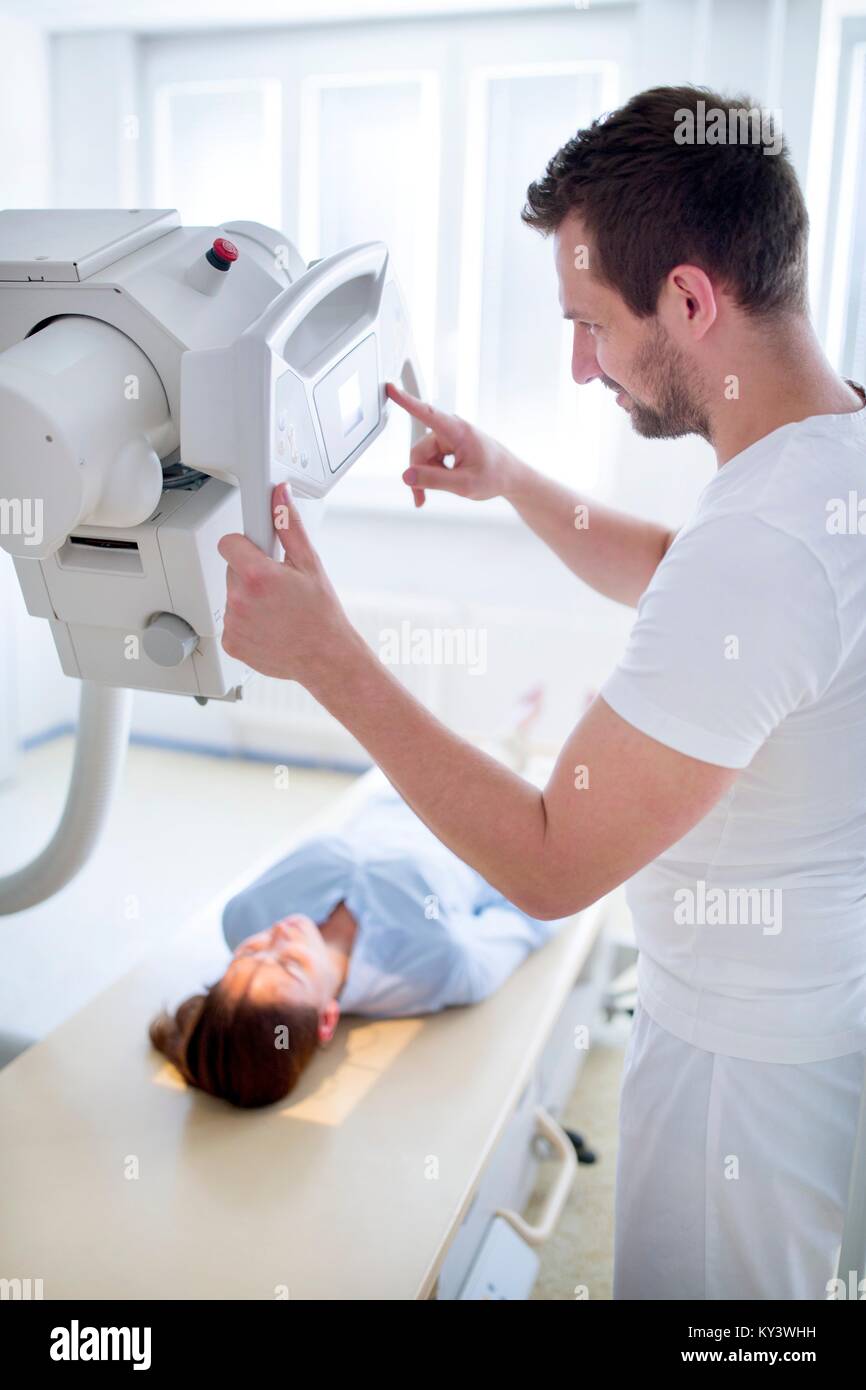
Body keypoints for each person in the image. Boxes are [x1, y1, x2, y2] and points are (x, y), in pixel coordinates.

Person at [215, 86, 866, 1299]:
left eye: (586, 323)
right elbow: (682, 575)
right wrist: (510, 477)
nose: (578, 366)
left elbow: (551, 858)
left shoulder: (766, 549)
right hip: (801, 1014)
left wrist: (327, 658)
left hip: (742, 1072)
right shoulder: (826, 453)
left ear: (686, 297)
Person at [149, 784, 564, 1108]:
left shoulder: (244, 916)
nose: (277, 936)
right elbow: (539, 907)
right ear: (327, 1019)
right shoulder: (439, 964)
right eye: (291, 964)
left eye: (250, 954)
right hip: (500, 808)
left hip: (395, 785)